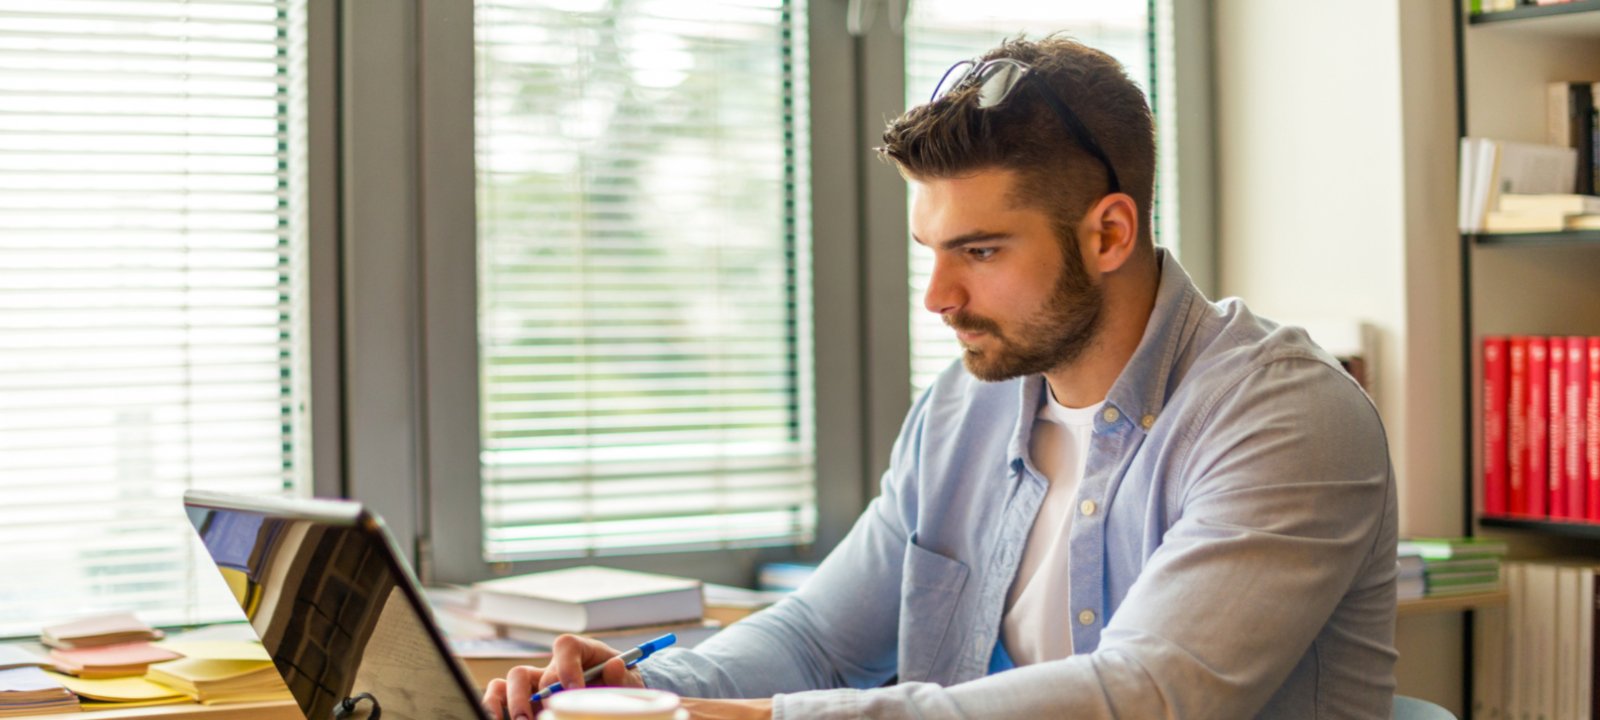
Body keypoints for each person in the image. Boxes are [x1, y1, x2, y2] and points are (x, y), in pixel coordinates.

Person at [483, 34, 1397, 720]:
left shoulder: (1288, 416)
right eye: (932, 250)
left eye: (982, 250)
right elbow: (816, 639)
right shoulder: (967, 405)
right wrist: (635, 691)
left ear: (1110, 234)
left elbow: (1145, 695)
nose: (938, 296)